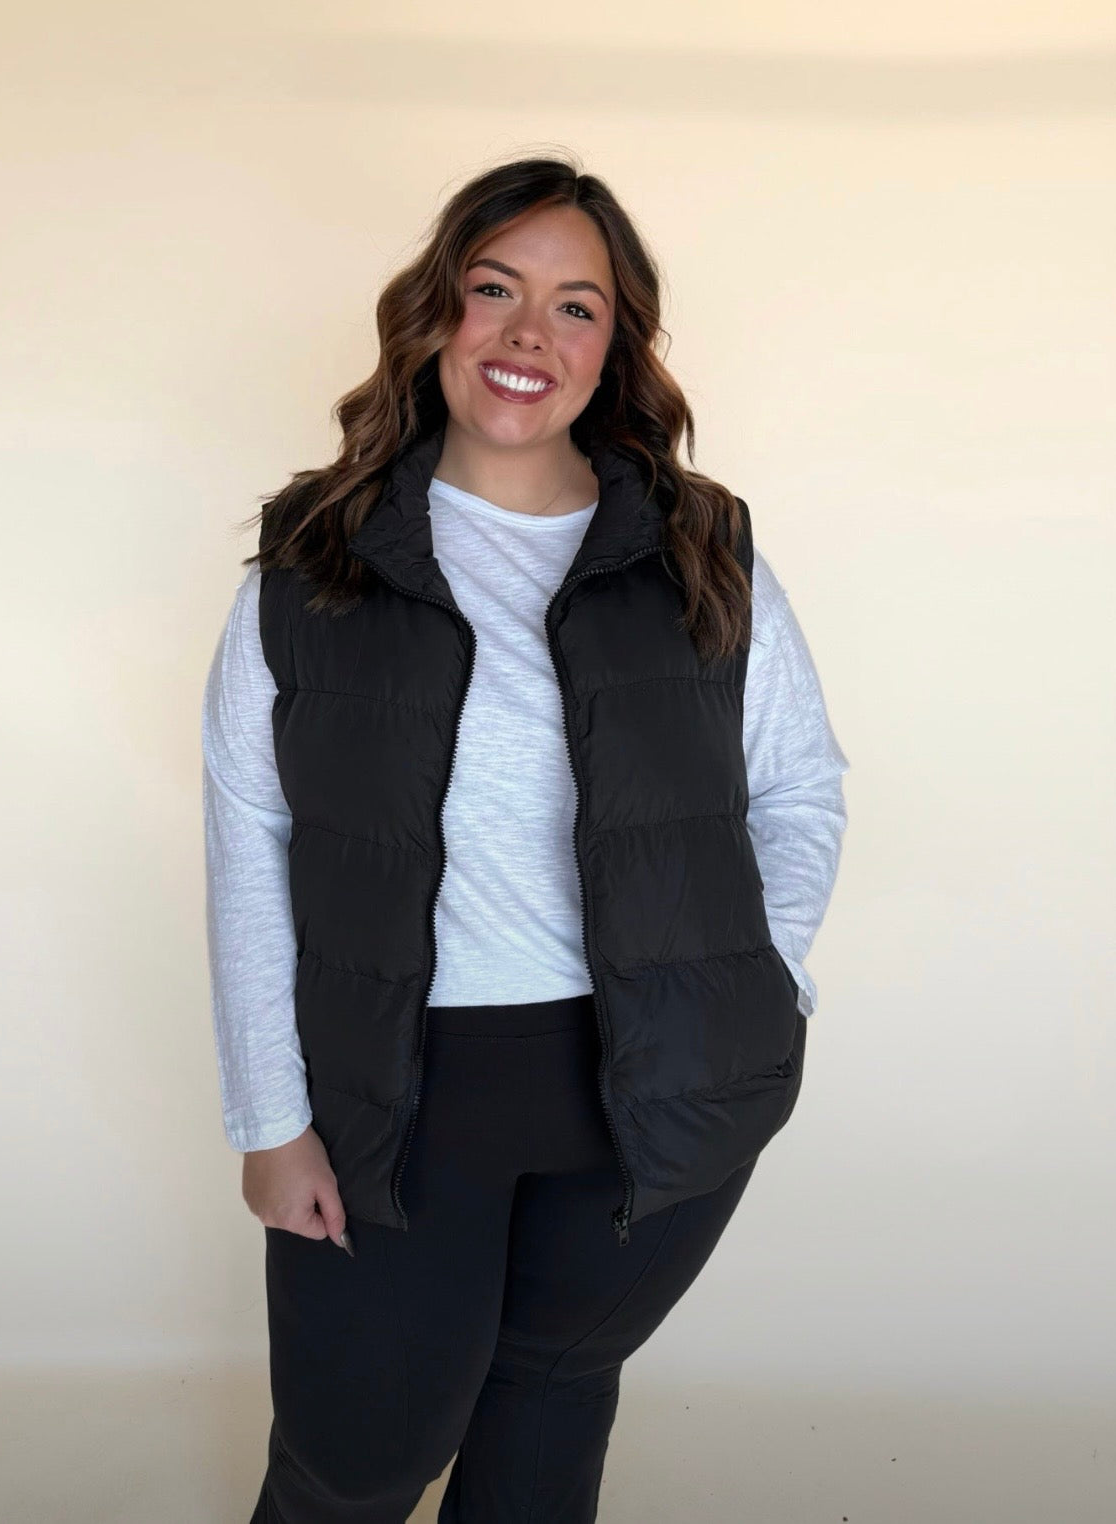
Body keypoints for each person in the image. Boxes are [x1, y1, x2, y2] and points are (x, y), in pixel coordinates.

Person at [202, 154, 849, 1522]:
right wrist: (270, 1116)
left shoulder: (697, 548)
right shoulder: (319, 558)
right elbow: (250, 839)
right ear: (434, 312)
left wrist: (754, 977)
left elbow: (797, 790)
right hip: (401, 1085)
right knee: (350, 1458)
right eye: (492, 290)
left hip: (648, 1077)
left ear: (615, 348)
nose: (524, 337)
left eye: (574, 307)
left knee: (550, 1405)